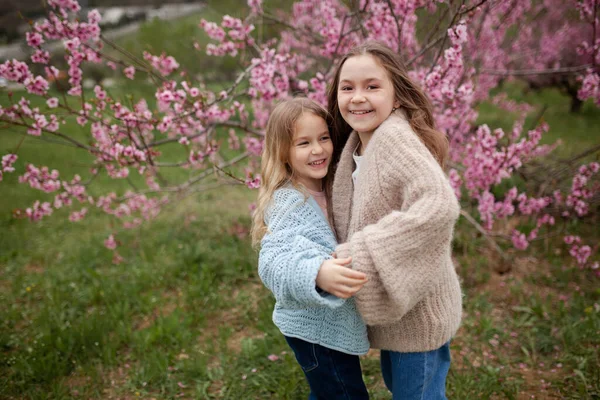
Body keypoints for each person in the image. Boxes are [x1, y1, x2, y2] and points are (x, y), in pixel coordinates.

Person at [326, 41, 462, 399]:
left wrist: (363, 251)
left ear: (397, 96)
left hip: (419, 312)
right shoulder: (358, 144)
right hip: (398, 305)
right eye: (347, 88)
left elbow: (438, 204)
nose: (358, 97)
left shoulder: (395, 139)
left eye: (372, 87)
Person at [251, 97, 371, 400]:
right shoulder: (288, 202)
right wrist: (315, 272)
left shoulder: (333, 185)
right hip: (314, 330)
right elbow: (273, 260)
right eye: (303, 143)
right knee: (345, 394)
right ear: (283, 152)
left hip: (329, 324)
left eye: (324, 138)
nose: (317, 150)